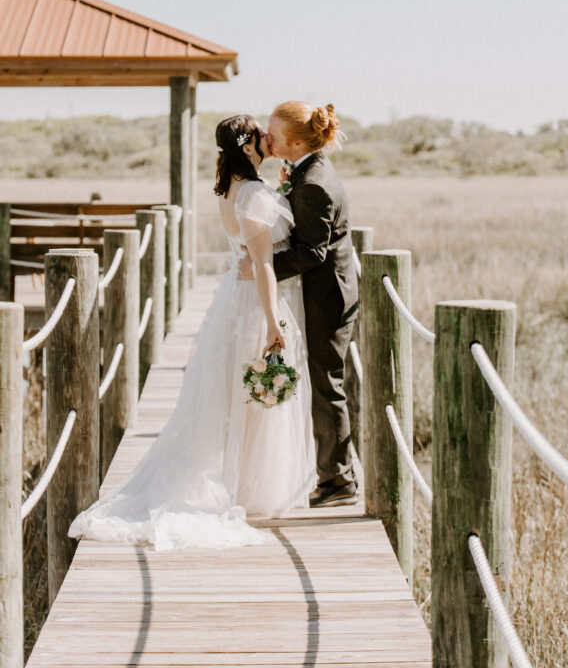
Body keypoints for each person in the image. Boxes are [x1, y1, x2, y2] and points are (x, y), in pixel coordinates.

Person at [68, 115, 315, 551]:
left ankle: (242, 480)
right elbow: (261, 264)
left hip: (233, 299)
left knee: (235, 394)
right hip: (255, 302)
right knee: (249, 395)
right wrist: (274, 323)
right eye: (259, 134)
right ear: (247, 145)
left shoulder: (233, 189)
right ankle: (242, 486)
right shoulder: (254, 194)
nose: (266, 137)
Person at [240, 102, 358, 507]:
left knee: (328, 384)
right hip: (320, 290)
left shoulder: (314, 183)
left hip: (329, 295)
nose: (266, 139)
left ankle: (338, 481)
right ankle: (333, 472)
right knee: (326, 382)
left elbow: (312, 253)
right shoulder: (304, 170)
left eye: (272, 135)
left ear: (294, 142)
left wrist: (258, 265)